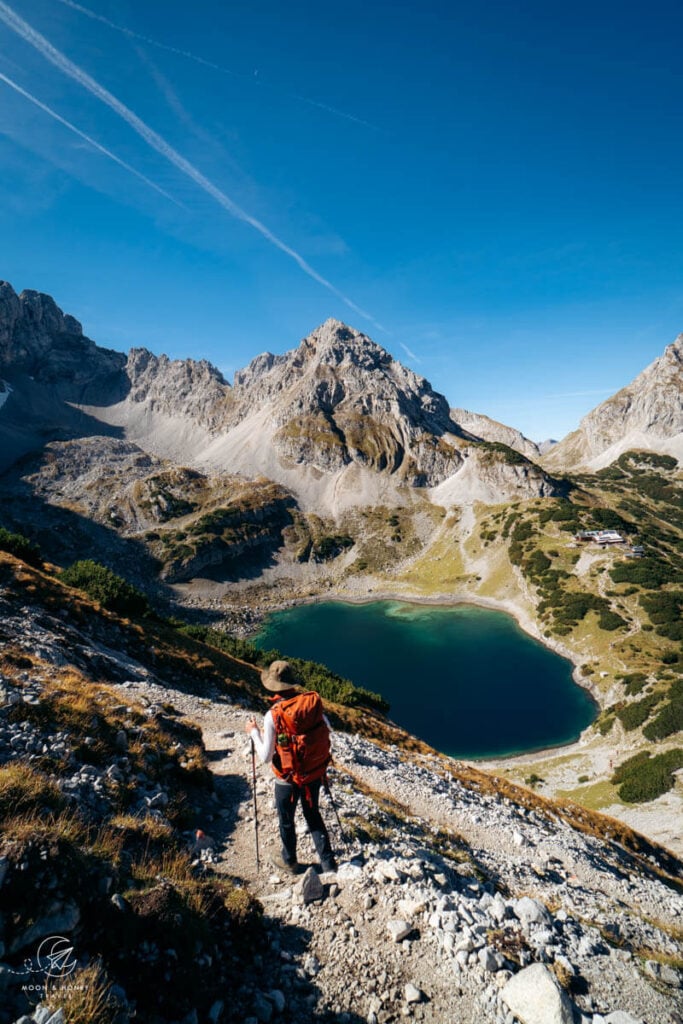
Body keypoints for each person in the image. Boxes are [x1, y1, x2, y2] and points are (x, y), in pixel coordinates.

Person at [245, 660, 337, 875]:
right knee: (313, 814)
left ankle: (290, 861)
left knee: (286, 819)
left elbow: (266, 756)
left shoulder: (273, 714)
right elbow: (328, 728)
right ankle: (328, 863)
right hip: (313, 774)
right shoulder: (312, 705)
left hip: (286, 777)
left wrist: (253, 732)